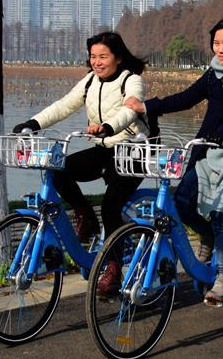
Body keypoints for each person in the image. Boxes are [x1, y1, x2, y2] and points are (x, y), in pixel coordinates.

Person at [125, 16, 223, 307]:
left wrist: (222, 134)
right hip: (208, 154)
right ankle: (207, 237)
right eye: (217, 43)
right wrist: (146, 106)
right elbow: (187, 98)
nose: (221, 49)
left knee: (221, 215)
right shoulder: (213, 73)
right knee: (181, 204)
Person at [12, 31, 150, 295]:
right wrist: (33, 123)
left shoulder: (131, 81)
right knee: (59, 170)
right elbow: (64, 105)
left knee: (111, 207)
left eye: (103, 56)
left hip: (134, 153)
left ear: (118, 58)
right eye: (93, 57)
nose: (97, 62)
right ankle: (84, 215)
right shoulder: (89, 82)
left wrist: (109, 126)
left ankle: (113, 268)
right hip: (104, 149)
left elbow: (130, 110)